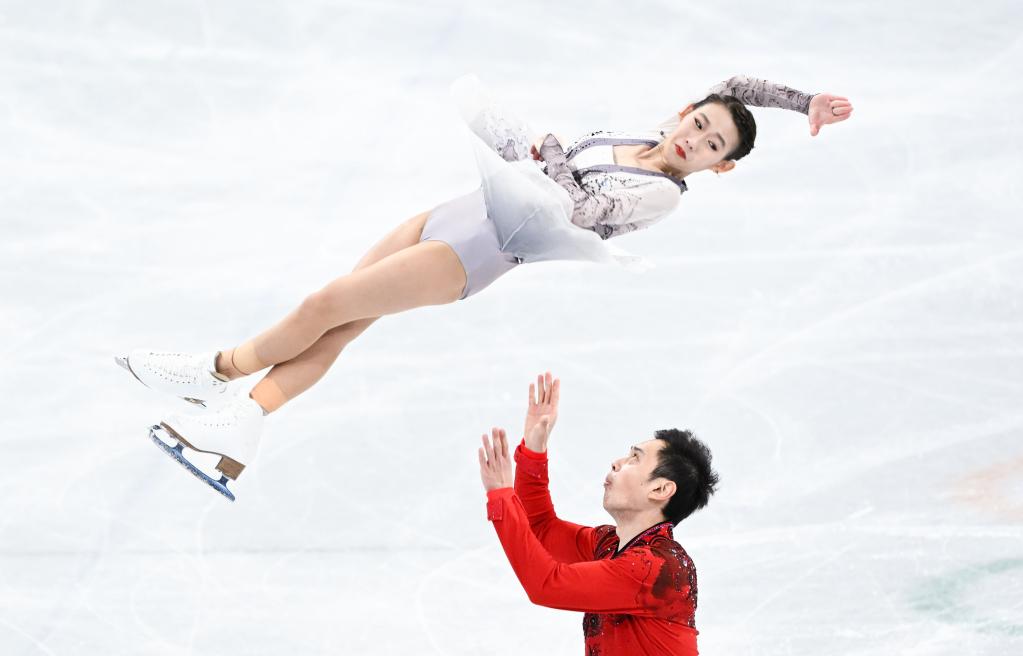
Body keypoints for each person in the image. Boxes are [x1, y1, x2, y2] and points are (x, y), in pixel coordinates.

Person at [117, 74, 851, 499]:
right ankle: (242, 422)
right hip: (462, 210)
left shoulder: (660, 193)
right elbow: (735, 88)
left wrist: (548, 150)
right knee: (341, 318)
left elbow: (580, 211)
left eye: (713, 145)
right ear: (684, 112)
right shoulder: (643, 138)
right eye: (700, 123)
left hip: (479, 250)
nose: (696, 138)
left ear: (719, 167)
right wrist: (804, 100)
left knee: (324, 306)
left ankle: (216, 375)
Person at [477, 372, 719, 656]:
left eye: (634, 459)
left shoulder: (656, 568)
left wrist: (501, 497)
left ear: (660, 489)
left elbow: (545, 585)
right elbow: (542, 528)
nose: (617, 462)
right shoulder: (610, 545)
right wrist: (534, 451)